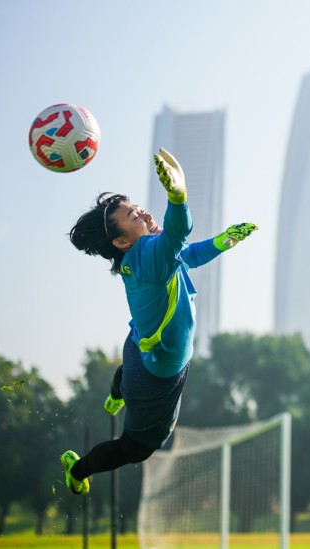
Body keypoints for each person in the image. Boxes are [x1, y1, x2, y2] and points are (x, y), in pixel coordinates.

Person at [60, 148, 257, 495]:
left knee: (129, 373)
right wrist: (177, 197)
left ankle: (116, 395)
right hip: (156, 374)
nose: (144, 213)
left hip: (141, 350)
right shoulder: (149, 254)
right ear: (121, 241)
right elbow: (178, 235)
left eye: (138, 207)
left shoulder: (143, 256)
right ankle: (78, 469)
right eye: (134, 215)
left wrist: (224, 241)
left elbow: (188, 254)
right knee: (136, 449)